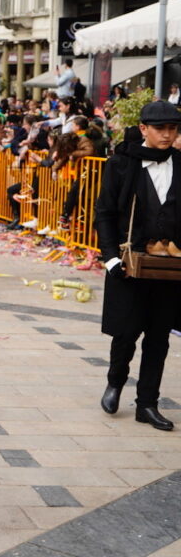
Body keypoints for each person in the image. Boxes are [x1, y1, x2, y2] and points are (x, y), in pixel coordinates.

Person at [95, 101, 181, 431]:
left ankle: (148, 403)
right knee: (126, 332)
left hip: (170, 268)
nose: (167, 134)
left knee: (159, 338)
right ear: (144, 129)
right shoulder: (120, 164)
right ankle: (115, 382)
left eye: (173, 129)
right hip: (128, 265)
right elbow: (104, 213)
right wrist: (110, 257)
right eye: (161, 129)